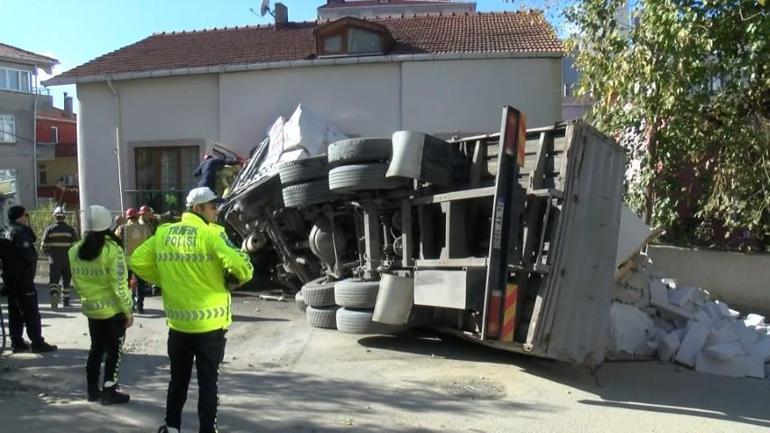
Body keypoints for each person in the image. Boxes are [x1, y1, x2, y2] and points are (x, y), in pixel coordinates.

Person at [130, 187, 253, 433]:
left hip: (178, 326)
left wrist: (164, 279)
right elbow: (241, 264)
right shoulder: (210, 234)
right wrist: (238, 277)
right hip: (210, 326)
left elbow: (136, 260)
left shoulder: (164, 233)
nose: (216, 211)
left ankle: (172, 427)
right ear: (197, 209)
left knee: (178, 380)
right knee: (208, 383)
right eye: (212, 206)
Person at [68, 205, 134, 404]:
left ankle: (92, 391)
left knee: (96, 349)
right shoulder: (112, 250)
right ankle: (109, 391)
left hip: (92, 310)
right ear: (107, 225)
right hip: (113, 312)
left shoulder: (75, 250)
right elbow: (119, 284)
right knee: (114, 353)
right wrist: (127, 310)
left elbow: (77, 283)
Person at [3, 205, 57, 353]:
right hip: (23, 279)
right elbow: (29, 254)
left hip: (9, 278)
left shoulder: (4, 230)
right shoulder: (20, 231)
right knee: (31, 312)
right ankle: (37, 343)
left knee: (14, 311)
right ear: (20, 216)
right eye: (26, 215)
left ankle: (17, 342)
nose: (27, 217)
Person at [115, 208, 152, 313]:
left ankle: (128, 305)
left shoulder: (122, 228)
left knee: (126, 285)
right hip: (140, 260)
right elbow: (150, 242)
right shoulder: (145, 228)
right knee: (140, 284)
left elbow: (115, 242)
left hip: (126, 262)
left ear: (127, 217)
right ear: (137, 216)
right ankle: (140, 307)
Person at [41, 206, 78, 308]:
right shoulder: (70, 230)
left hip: (54, 259)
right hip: (68, 260)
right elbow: (75, 246)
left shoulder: (49, 229)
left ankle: (54, 294)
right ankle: (65, 301)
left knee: (54, 280)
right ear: (64, 217)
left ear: (55, 217)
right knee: (66, 280)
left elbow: (43, 245)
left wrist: (48, 254)